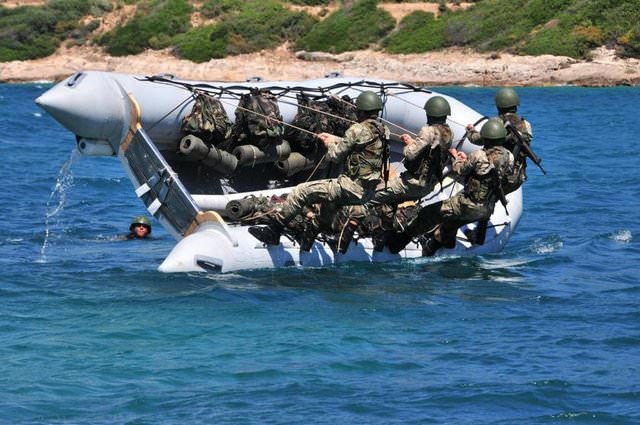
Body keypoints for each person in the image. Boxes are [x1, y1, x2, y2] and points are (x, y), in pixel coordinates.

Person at [248, 90, 389, 252]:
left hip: (351, 187)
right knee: (328, 203)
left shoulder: (357, 129)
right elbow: (360, 146)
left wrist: (329, 144)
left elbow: (335, 156)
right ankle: (310, 238)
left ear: (361, 111)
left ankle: (274, 231)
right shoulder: (383, 130)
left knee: (300, 191)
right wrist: (334, 139)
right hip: (368, 192)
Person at [387, 118, 514, 256]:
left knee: (427, 213)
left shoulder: (478, 155)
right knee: (452, 222)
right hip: (487, 208)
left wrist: (456, 158)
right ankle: (441, 244)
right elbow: (494, 175)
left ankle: (397, 243)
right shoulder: (510, 157)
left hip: (467, 204)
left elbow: (460, 170)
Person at [365, 95, 453, 250]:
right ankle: (386, 237)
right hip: (428, 186)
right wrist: (414, 142)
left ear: (429, 114)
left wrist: (408, 144)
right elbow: (431, 151)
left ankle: (354, 233)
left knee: (368, 197)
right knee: (391, 200)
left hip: (412, 184)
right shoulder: (449, 133)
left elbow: (410, 154)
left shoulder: (427, 131)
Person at [464, 87, 533, 245]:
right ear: (516, 105)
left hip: (500, 174)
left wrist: (470, 131)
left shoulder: (496, 123)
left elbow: (477, 139)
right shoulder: (526, 125)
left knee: (483, 196)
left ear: (498, 105)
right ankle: (479, 232)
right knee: (491, 197)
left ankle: (477, 234)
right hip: (518, 176)